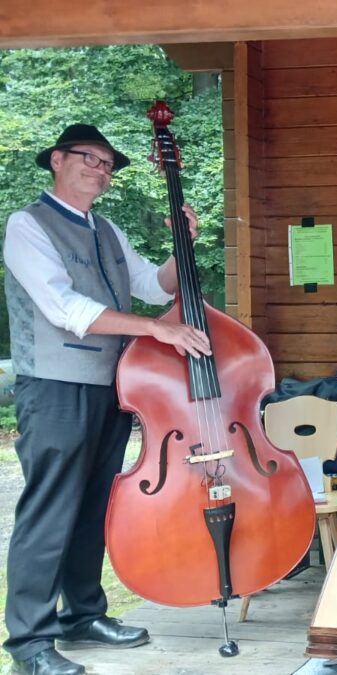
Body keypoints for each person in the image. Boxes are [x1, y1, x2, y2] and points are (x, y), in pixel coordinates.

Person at [3, 124, 212, 675]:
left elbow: (154, 284)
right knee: (50, 509)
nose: (100, 169)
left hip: (113, 387)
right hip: (54, 386)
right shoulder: (28, 224)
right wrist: (156, 329)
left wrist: (183, 246)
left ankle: (82, 615)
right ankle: (30, 641)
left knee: (93, 505)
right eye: (89, 158)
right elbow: (63, 308)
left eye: (107, 163)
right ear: (57, 160)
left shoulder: (108, 230)